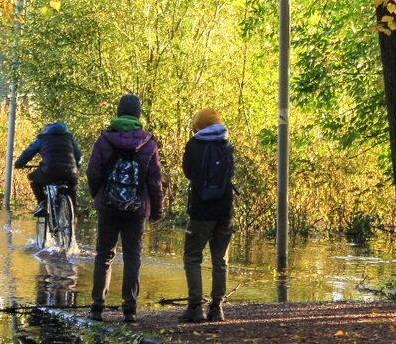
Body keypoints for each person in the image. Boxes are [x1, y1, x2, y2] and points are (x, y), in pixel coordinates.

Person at [86, 93, 164, 323]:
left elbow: (93, 172)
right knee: (132, 257)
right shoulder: (148, 143)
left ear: (118, 112)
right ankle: (129, 309)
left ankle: (97, 308)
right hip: (137, 209)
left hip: (108, 207)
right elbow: (154, 181)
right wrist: (156, 211)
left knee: (104, 255)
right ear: (138, 114)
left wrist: (99, 197)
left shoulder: (104, 140)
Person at [180, 108, 234, 322]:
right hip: (225, 210)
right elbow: (231, 172)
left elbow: (188, 172)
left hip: (201, 210)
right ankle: (217, 308)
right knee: (220, 259)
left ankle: (195, 307)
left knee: (192, 257)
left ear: (198, 124)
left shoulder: (194, 144)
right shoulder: (226, 144)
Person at [14, 121, 82, 216]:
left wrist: (19, 164)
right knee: (72, 192)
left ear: (46, 130)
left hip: (50, 171)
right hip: (70, 173)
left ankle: (42, 204)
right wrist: (77, 166)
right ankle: (73, 214)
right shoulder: (69, 138)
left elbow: (28, 152)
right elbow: (78, 155)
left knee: (32, 177)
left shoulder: (42, 138)